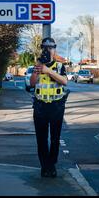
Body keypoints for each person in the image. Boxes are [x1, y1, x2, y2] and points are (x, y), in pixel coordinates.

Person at [30, 37, 69, 178]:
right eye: (45, 48)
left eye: (50, 47)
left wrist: (48, 71)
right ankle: (44, 166)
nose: (48, 50)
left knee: (54, 138)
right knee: (41, 139)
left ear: (54, 49)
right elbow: (32, 83)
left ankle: (51, 165)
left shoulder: (59, 66)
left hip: (56, 106)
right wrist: (38, 69)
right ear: (42, 49)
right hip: (40, 106)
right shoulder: (38, 65)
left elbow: (64, 81)